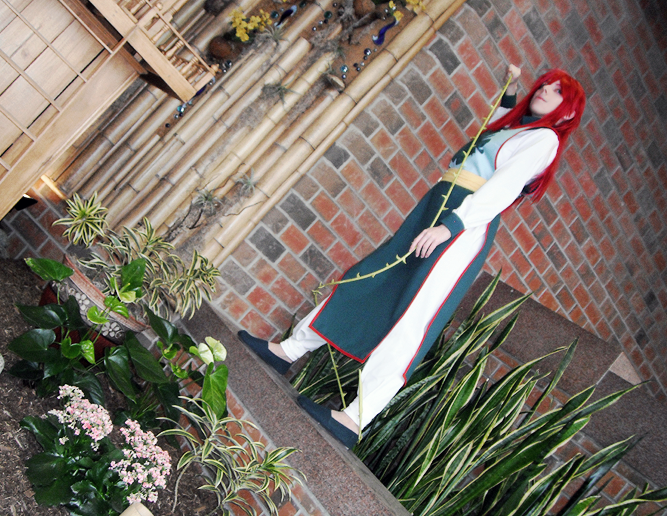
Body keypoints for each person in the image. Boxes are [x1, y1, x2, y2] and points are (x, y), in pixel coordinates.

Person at [239, 64, 586, 448]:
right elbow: (498, 129)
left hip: (460, 228)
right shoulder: (518, 129)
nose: (545, 90)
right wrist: (512, 89)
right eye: (545, 84)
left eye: (557, 91)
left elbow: (501, 189)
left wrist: (450, 228)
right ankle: (288, 350)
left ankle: (354, 418)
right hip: (439, 207)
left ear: (568, 111)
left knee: (412, 317)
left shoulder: (545, 140)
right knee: (372, 275)